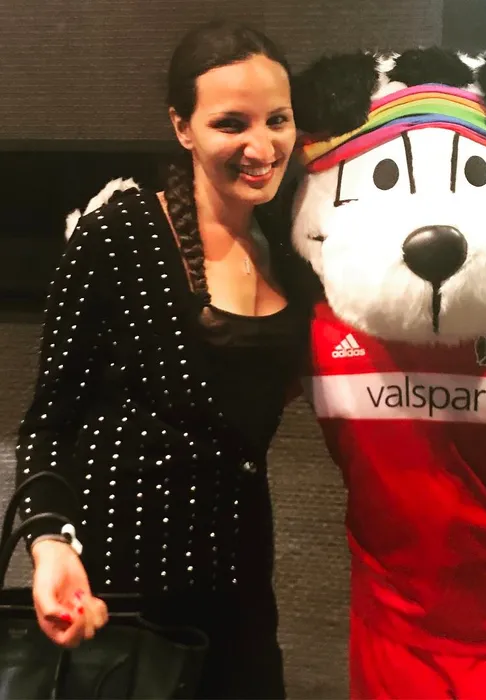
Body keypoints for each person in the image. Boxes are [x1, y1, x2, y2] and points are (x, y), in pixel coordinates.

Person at [15, 20, 310, 699]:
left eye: (278, 120)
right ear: (182, 127)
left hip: (240, 584)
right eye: (231, 123)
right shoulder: (118, 234)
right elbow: (48, 422)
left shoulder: (293, 249)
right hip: (121, 590)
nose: (262, 146)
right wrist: (49, 543)